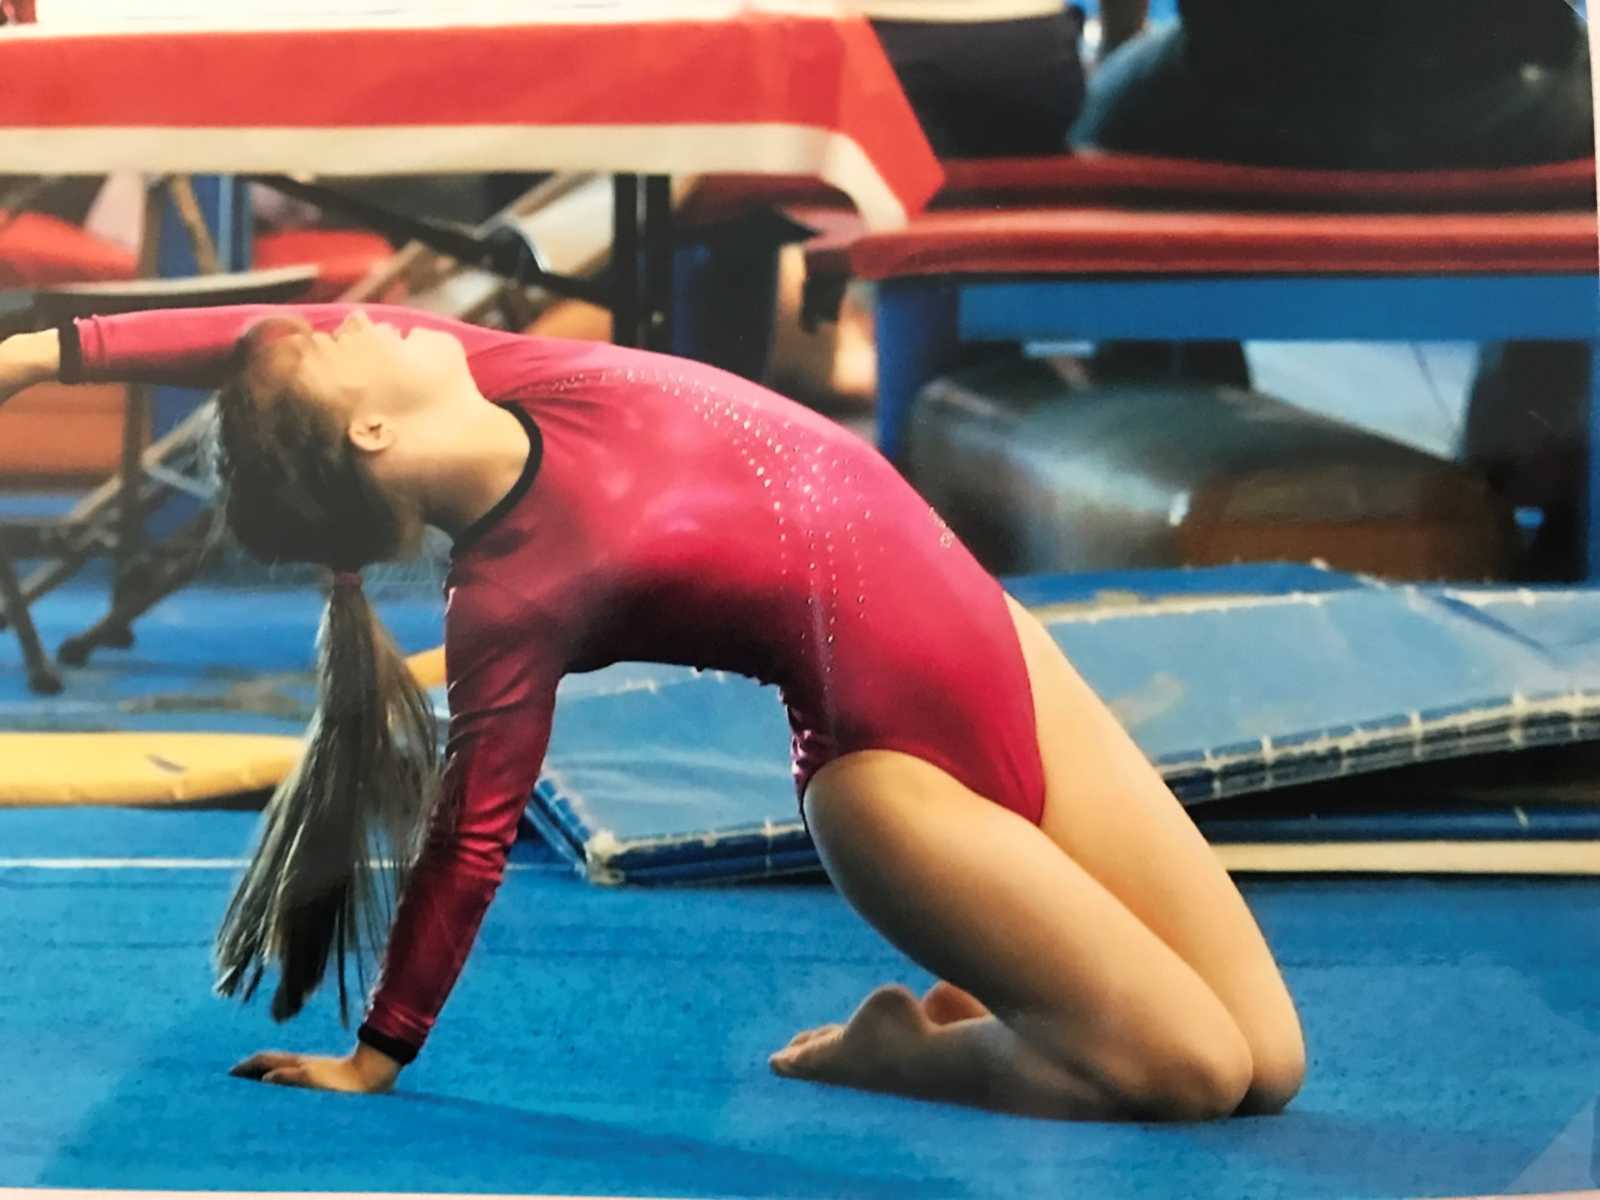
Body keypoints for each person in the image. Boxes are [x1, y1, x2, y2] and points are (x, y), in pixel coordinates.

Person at [0, 305, 1305, 1119]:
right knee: (1184, 1076)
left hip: (1016, 664)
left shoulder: (506, 371)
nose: (361, 317)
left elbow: (258, 332)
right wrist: (378, 1051)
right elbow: (468, 838)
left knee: (1271, 1067)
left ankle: (1029, 990)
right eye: (340, 346)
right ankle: (902, 1053)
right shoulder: (513, 595)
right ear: (377, 441)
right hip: (899, 785)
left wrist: (42, 351)